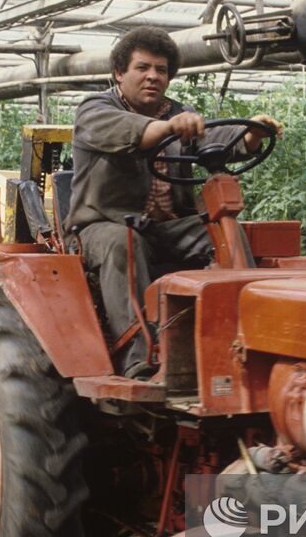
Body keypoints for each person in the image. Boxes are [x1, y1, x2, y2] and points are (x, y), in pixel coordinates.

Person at [66, 27, 282, 379]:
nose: (153, 76)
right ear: (120, 73)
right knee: (123, 242)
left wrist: (252, 133)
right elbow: (139, 132)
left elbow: (215, 136)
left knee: (221, 233)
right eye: (142, 68)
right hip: (102, 225)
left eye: (162, 70)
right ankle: (138, 356)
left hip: (166, 226)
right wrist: (170, 127)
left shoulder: (180, 113)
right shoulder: (96, 110)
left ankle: (242, 340)